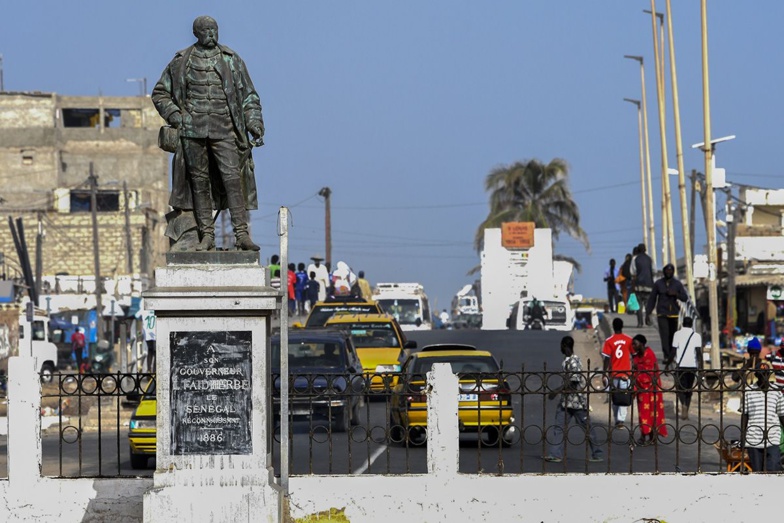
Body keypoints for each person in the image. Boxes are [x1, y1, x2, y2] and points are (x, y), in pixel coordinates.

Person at [152, 15, 264, 252]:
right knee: (199, 183)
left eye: (215, 30)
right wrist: (176, 116)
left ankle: (241, 234)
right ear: (196, 33)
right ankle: (206, 236)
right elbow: (160, 93)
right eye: (207, 30)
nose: (212, 34)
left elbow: (249, 97)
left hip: (225, 129)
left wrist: (254, 122)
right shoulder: (181, 61)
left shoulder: (231, 60)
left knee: (233, 181)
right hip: (193, 132)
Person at [544, 336, 604, 463]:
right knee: (559, 427)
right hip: (566, 402)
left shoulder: (574, 361)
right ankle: (555, 454)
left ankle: (597, 453)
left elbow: (573, 381)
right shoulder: (566, 361)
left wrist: (556, 391)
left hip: (577, 402)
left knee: (587, 427)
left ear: (564, 346)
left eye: (561, 345)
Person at [740, 359, 784, 472]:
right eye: (761, 375)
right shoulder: (748, 391)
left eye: (766, 374)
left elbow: (782, 415)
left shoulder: (777, 391)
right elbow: (744, 416)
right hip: (753, 438)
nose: (764, 377)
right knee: (757, 472)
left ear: (769, 375)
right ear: (756, 376)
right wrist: (743, 437)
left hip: (772, 437)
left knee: (773, 467)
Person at [646, 263, 689, 369]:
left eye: (671, 271)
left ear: (673, 272)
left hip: (674, 314)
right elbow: (652, 299)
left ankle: (671, 355)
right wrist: (648, 312)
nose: (669, 272)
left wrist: (676, 294)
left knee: (673, 336)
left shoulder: (677, 284)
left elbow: (685, 298)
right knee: (664, 335)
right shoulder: (658, 284)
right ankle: (666, 355)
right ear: (664, 272)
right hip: (662, 313)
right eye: (667, 270)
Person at [631, 334, 668, 446]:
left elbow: (649, 374)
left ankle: (652, 437)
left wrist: (637, 374)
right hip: (641, 390)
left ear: (642, 344)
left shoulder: (650, 355)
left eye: (635, 344)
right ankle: (644, 435)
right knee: (643, 413)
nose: (633, 346)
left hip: (652, 389)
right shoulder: (636, 357)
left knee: (653, 413)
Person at [602, 317, 634, 428]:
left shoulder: (609, 341)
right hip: (626, 374)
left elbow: (606, 358)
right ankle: (621, 420)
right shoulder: (629, 340)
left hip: (614, 374)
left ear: (613, 327)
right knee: (624, 396)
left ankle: (617, 418)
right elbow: (634, 355)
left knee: (615, 397)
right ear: (622, 326)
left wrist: (604, 373)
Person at [672, 316, 703, 419]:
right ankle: (687, 408)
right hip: (692, 366)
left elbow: (673, 351)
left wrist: (667, 363)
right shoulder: (696, 336)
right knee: (689, 389)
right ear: (691, 324)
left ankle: (683, 405)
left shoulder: (677, 334)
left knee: (680, 388)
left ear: (682, 324)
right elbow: (699, 353)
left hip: (681, 366)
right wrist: (701, 368)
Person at [631, 243, 655, 327]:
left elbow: (632, 272)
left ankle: (640, 323)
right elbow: (654, 270)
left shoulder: (635, 259)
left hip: (639, 286)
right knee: (648, 304)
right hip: (649, 285)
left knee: (639, 306)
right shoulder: (650, 259)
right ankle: (648, 319)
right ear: (645, 250)